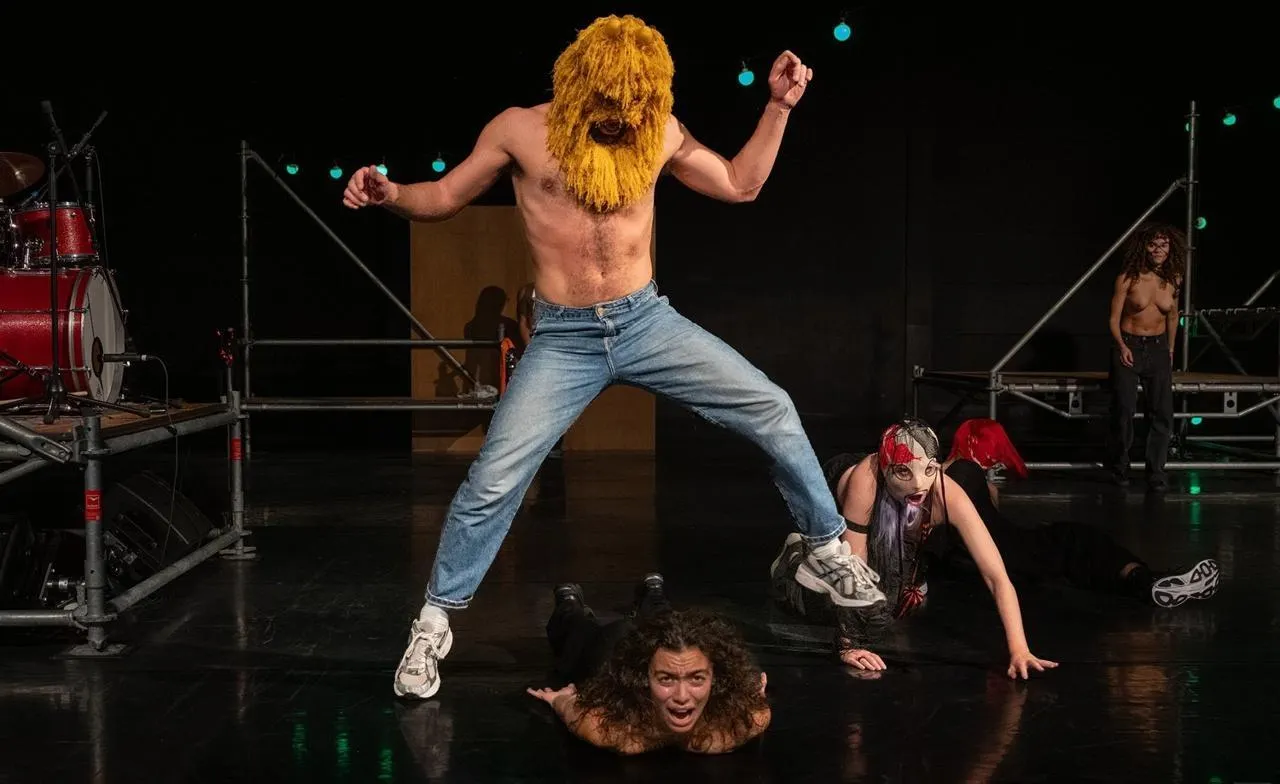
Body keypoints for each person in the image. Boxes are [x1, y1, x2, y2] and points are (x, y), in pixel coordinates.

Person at [343, 14, 884, 700]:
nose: (620, 117)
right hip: (563, 337)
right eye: (607, 103)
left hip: (646, 321)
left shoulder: (657, 130)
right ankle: (433, 624)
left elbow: (740, 183)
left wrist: (778, 107)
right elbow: (445, 196)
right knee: (494, 479)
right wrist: (392, 194)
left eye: (632, 104)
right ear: (578, 85)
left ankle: (827, 547)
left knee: (770, 405)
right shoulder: (521, 130)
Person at [770, 417, 1059, 679]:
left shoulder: (947, 494)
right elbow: (854, 563)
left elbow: (996, 577)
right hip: (845, 495)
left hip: (897, 508)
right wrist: (849, 644)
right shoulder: (865, 481)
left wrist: (1020, 649)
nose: (919, 483)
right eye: (904, 472)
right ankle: (794, 557)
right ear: (887, 469)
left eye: (929, 470)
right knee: (843, 600)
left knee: (892, 600)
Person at [944, 417, 1219, 608]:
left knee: (1079, 560)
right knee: (1078, 541)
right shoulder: (962, 474)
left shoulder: (953, 479)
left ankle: (1145, 583)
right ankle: (1144, 580)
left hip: (999, 555)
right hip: (1007, 555)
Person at [527, 574, 771, 754]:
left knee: (670, 626)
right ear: (644, 679)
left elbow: (757, 710)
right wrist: (561, 700)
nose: (682, 697)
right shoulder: (612, 730)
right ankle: (569, 604)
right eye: (666, 679)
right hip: (612, 647)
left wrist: (750, 696)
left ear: (714, 678)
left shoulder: (739, 726)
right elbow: (573, 710)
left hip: (657, 652)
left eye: (697, 679)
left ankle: (653, 595)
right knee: (578, 634)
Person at [1107, 222, 1186, 490]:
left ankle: (1156, 471)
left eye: (1164, 245)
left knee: (1162, 412)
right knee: (1124, 409)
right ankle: (1119, 467)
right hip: (1129, 344)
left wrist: (1170, 349)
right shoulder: (1128, 278)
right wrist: (1122, 346)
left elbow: (1173, 316)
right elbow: (1113, 318)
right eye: (1153, 244)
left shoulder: (1174, 279)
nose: (1158, 250)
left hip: (1158, 348)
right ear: (1144, 247)